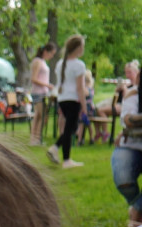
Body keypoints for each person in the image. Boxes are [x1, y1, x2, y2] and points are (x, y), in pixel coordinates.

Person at [48, 34, 87, 169]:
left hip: (62, 98)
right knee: (71, 129)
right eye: (82, 46)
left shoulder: (60, 64)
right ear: (77, 48)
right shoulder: (79, 65)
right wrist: (84, 105)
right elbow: (80, 88)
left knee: (70, 128)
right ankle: (64, 158)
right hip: (73, 99)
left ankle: (58, 150)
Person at [112, 62, 142, 227]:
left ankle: (137, 211)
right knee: (123, 178)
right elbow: (128, 120)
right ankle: (137, 204)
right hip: (132, 146)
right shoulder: (134, 94)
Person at [29, 42, 57, 146]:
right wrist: (47, 85)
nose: (52, 56)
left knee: (38, 116)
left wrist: (47, 85)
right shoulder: (38, 62)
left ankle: (34, 139)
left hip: (43, 92)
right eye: (51, 53)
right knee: (43, 116)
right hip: (38, 92)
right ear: (46, 51)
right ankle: (37, 138)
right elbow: (34, 79)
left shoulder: (43, 62)